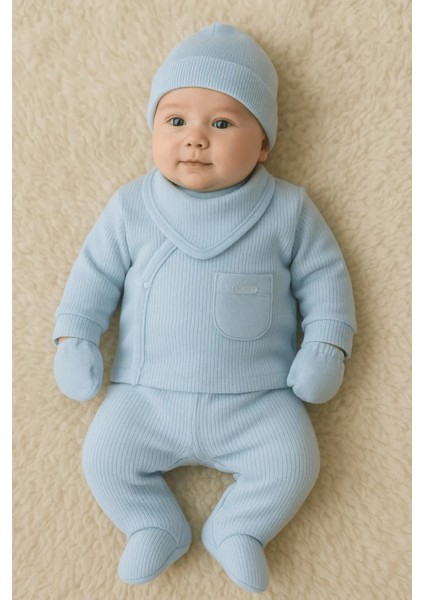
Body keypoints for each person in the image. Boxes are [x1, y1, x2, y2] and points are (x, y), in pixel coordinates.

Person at [53, 23, 356, 593]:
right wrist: (75, 337)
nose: (195, 139)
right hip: (145, 396)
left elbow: (326, 280)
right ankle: (151, 522)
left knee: (293, 464)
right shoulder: (132, 207)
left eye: (221, 124)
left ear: (263, 144)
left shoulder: (288, 210)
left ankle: (240, 526)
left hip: (259, 401)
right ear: (153, 130)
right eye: (175, 122)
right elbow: (92, 276)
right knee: (104, 459)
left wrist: (326, 345)